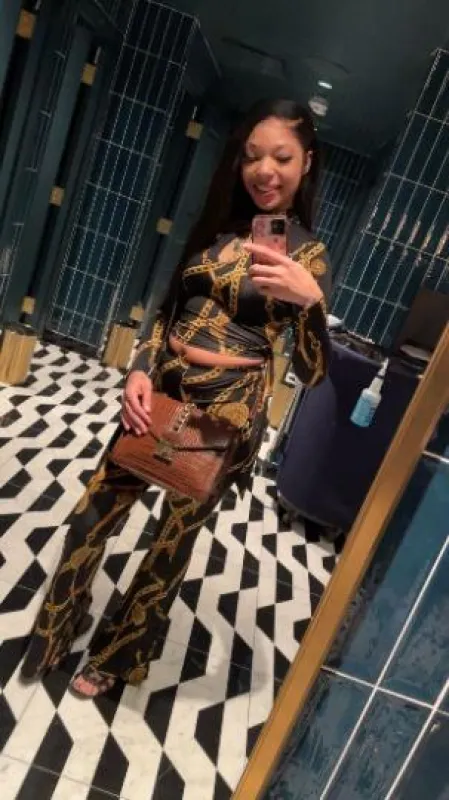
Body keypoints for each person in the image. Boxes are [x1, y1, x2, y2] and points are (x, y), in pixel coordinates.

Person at [21, 99, 332, 697]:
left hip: (226, 411)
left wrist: (311, 303)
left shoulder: (308, 255)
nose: (264, 170)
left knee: (170, 540)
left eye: (282, 157)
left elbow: (313, 374)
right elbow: (168, 312)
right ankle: (59, 624)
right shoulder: (219, 230)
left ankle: (120, 654)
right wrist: (139, 368)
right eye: (252, 156)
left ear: (307, 163)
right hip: (157, 393)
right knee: (91, 516)